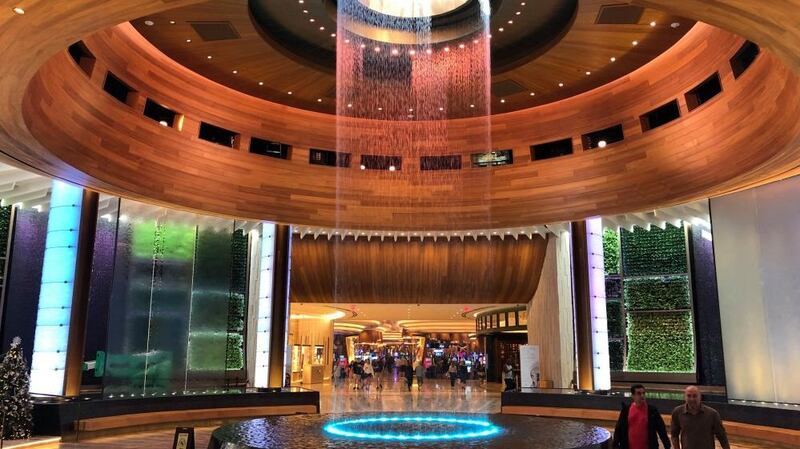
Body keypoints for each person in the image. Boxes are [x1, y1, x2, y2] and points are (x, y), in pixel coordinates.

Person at [612, 384, 671, 449]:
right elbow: (618, 429)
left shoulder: (652, 411)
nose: (642, 396)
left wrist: (667, 446)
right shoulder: (626, 410)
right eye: (639, 393)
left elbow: (661, 429)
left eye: (643, 393)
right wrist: (615, 445)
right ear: (633, 396)